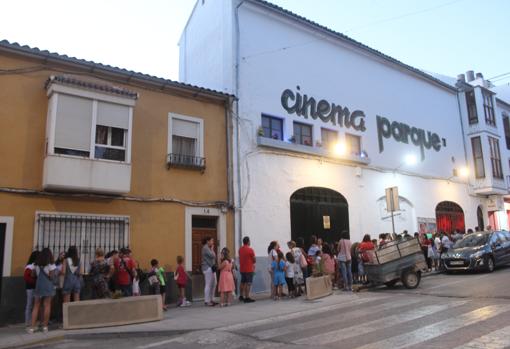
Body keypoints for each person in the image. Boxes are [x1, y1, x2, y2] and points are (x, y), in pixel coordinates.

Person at [28, 248, 56, 334]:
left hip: (39, 285)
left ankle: (32, 328)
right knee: (47, 305)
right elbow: (51, 277)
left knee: (36, 306)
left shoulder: (36, 264)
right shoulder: (51, 265)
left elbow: (32, 275)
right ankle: (45, 327)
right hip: (47, 286)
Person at [24, 251, 39, 327]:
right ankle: (27, 321)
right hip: (30, 288)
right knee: (29, 304)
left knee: (34, 305)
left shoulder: (36, 266)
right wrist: (35, 282)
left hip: (35, 287)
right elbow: (26, 278)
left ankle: (33, 320)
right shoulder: (29, 267)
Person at [239, 236, 256, 303]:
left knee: (242, 282)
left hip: (242, 268)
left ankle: (241, 296)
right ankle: (247, 297)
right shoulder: (250, 250)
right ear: (248, 241)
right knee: (248, 283)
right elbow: (254, 260)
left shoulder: (240, 249)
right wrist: (253, 261)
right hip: (249, 268)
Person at [202, 237, 217, 307]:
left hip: (212, 268)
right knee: (208, 284)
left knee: (214, 283)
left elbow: (214, 256)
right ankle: (207, 301)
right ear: (207, 241)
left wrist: (212, 250)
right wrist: (212, 249)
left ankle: (211, 299)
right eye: (211, 241)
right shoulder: (205, 248)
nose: (213, 242)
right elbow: (213, 255)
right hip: (207, 268)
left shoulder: (208, 248)